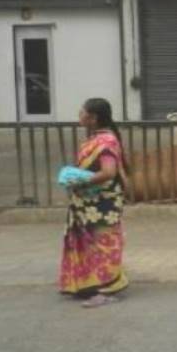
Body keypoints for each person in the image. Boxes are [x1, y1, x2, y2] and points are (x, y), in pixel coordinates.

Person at [59, 97, 130, 307]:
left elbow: (108, 172)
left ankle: (106, 289)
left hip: (101, 204)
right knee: (87, 242)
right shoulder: (96, 138)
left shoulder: (106, 142)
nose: (79, 116)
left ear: (93, 118)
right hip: (88, 203)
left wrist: (80, 178)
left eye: (82, 113)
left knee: (103, 244)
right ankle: (86, 284)